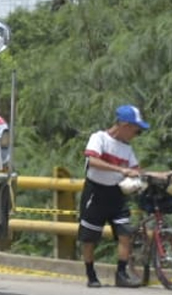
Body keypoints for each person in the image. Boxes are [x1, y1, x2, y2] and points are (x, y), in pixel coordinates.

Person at [82, 104, 160, 288]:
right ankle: (91, 274)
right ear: (124, 125)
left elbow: (137, 171)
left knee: (126, 234)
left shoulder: (127, 149)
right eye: (136, 130)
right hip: (96, 191)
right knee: (90, 236)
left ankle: (122, 273)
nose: (137, 134)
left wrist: (160, 174)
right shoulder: (99, 138)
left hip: (116, 194)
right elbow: (92, 161)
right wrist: (120, 169)